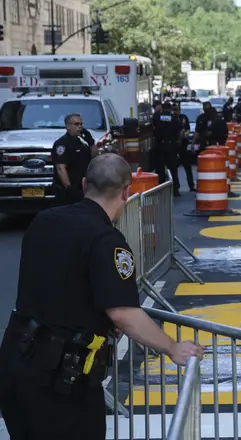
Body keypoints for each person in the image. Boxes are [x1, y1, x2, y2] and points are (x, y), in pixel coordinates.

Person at [0, 154, 203, 440]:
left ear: (84, 184)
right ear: (126, 191)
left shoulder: (44, 220)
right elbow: (124, 313)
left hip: (16, 365)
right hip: (61, 386)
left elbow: (62, 282)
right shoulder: (107, 241)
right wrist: (172, 347)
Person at [52, 113, 100, 206]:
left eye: (81, 124)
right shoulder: (62, 144)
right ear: (68, 126)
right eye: (77, 124)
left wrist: (91, 143)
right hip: (69, 191)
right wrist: (69, 188)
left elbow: (95, 156)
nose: (80, 127)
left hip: (84, 187)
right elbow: (61, 168)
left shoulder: (82, 142)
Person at [152, 101, 182, 196]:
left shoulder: (156, 117)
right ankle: (175, 190)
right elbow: (180, 131)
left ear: (162, 108)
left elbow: (152, 129)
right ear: (170, 109)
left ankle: (160, 189)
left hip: (160, 146)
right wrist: (178, 142)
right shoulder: (174, 118)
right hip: (171, 146)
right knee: (173, 169)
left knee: (160, 169)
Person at [173, 105, 195, 192]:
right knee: (174, 168)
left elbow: (187, 129)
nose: (175, 112)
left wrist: (186, 134)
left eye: (176, 110)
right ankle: (176, 187)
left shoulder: (183, 118)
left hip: (184, 146)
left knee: (187, 167)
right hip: (174, 146)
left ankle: (191, 185)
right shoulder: (171, 119)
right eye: (174, 110)